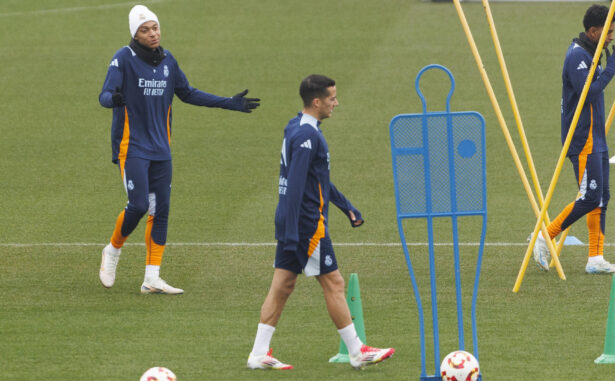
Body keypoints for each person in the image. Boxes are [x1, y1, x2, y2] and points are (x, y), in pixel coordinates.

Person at [98, 5, 260, 294]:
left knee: (160, 210)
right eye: (145, 30)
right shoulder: (123, 58)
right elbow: (104, 95)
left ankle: (152, 278)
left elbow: (187, 93)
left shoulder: (168, 60)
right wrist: (115, 98)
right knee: (138, 205)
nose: (153, 33)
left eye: (155, 27)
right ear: (135, 33)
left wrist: (228, 102)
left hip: (161, 149)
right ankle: (112, 250)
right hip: (132, 147)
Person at [246, 75, 394, 370]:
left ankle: (258, 354)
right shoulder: (307, 136)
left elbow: (317, 179)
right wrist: (292, 231)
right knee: (334, 282)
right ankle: (356, 351)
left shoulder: (297, 126)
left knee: (283, 285)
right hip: (306, 225)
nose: (336, 103)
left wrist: (345, 206)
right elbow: (298, 185)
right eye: (332, 98)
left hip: (295, 222)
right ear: (317, 101)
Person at [533, 4, 615, 274]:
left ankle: (595, 259)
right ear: (594, 31)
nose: (611, 37)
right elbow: (589, 92)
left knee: (602, 196)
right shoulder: (577, 56)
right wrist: (612, 69)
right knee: (590, 196)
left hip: (597, 137)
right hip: (582, 138)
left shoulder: (592, 52)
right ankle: (544, 237)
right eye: (608, 32)